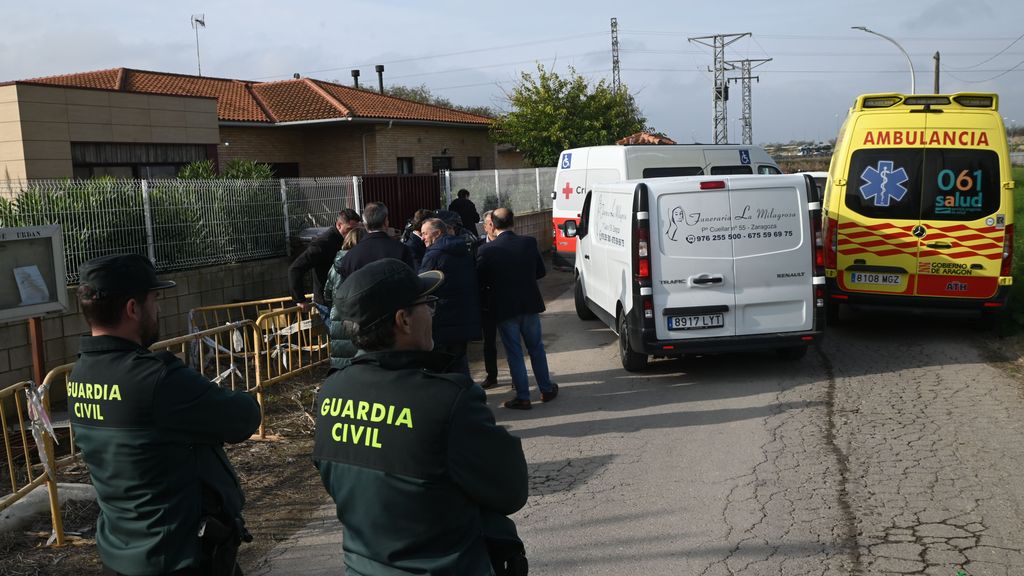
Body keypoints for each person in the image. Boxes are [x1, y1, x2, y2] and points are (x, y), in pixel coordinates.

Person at [314, 259, 529, 575]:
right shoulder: (447, 399)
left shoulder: (331, 392)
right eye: (428, 304)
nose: (432, 311)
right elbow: (510, 490)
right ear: (403, 320)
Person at [68, 253, 261, 576]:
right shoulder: (158, 379)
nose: (158, 310)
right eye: (154, 300)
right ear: (133, 308)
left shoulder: (80, 375)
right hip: (178, 555)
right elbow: (243, 418)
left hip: (121, 553)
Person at [477, 208, 558, 410]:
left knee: (514, 352)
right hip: (529, 304)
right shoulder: (529, 243)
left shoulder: (486, 250)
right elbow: (540, 272)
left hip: (504, 308)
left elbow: (481, 280)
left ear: (493, 225)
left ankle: (523, 397)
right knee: (536, 348)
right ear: (514, 222)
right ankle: (546, 389)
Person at [419, 217, 481, 378]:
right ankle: (467, 396)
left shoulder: (433, 255)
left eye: (425, 233)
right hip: (464, 315)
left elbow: (421, 285)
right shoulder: (463, 250)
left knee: (440, 365)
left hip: (442, 317)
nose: (422, 237)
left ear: (438, 233)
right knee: (460, 361)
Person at [288, 208, 362, 319]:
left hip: (344, 298)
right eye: (349, 229)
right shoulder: (323, 244)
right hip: (327, 303)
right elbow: (295, 268)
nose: (352, 233)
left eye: (355, 229)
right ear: (339, 225)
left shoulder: (349, 240)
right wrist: (300, 299)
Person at [323, 226, 368, 371]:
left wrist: (335, 308)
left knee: (340, 359)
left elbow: (327, 293)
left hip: (338, 315)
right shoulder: (364, 262)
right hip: (359, 315)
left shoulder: (335, 264)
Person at [339, 202, 415, 276]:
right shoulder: (401, 249)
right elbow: (411, 280)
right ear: (386, 222)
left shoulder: (350, 256)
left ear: (365, 225)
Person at [478, 210, 499, 389]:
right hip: (486, 303)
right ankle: (491, 375)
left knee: (512, 341)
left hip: (507, 301)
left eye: (493, 222)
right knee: (489, 342)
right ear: (484, 227)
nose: (491, 226)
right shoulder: (476, 247)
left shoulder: (509, 244)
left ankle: (517, 377)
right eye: (488, 223)